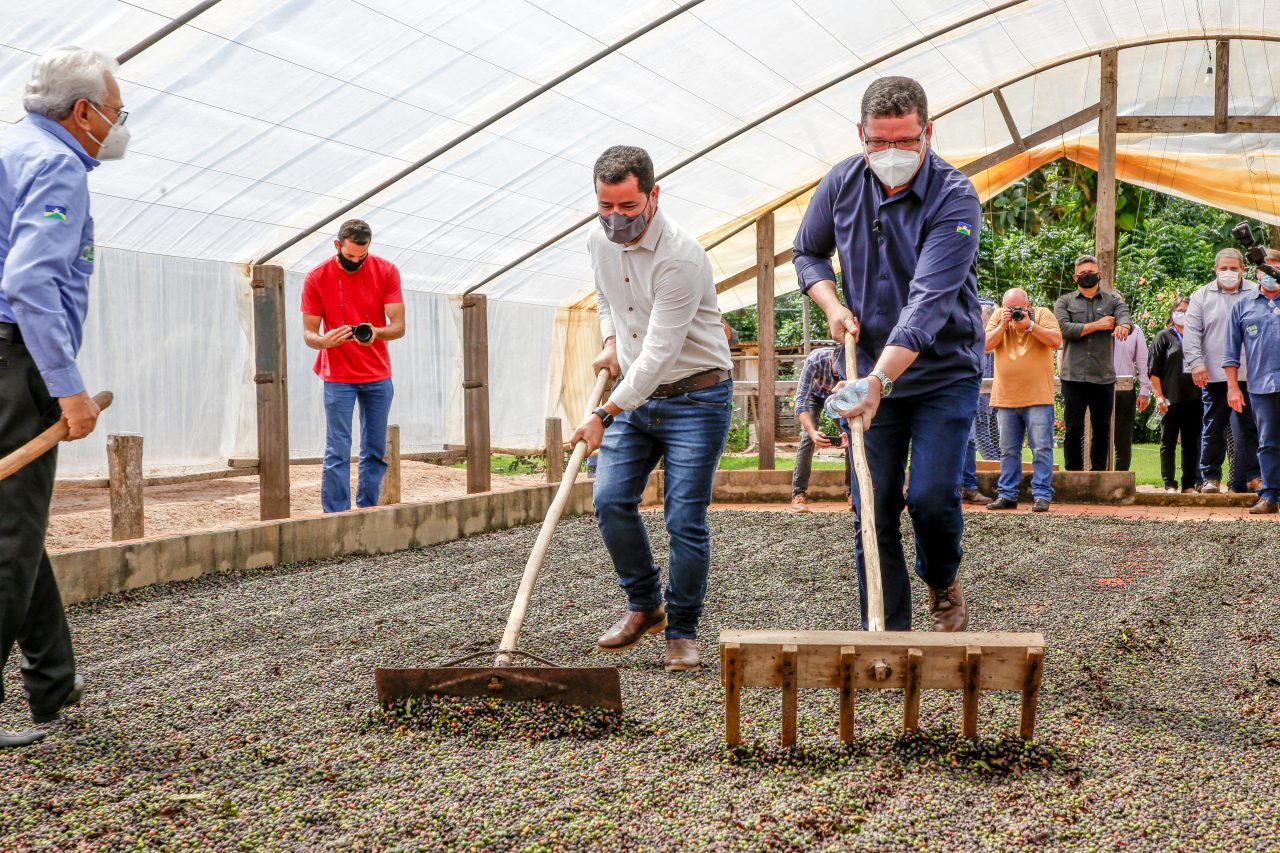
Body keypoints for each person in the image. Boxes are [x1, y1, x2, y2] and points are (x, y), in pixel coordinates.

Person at [793, 76, 983, 632]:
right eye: (879, 143)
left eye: (906, 142)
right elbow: (807, 250)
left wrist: (879, 381)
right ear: (861, 135)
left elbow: (928, 303)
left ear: (929, 132)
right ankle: (888, 632)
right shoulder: (842, 183)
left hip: (941, 373)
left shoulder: (955, 195)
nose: (892, 154)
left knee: (929, 498)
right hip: (867, 371)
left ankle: (943, 579)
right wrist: (830, 302)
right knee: (870, 505)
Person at [0, 46, 130, 748]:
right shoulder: (56, 167)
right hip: (16, 363)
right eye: (115, 113)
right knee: (9, 537)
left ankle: (53, 681)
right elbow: (28, 285)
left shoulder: (13, 151)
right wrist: (68, 390)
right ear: (84, 113)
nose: (117, 126)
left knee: (15, 524)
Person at [570, 145, 733, 672]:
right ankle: (646, 606)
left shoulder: (680, 259)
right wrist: (612, 337)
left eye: (627, 207)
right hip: (635, 398)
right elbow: (605, 296)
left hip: (697, 396)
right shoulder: (597, 239)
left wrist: (603, 414)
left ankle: (682, 631)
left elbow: (661, 352)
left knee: (684, 518)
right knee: (610, 500)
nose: (615, 219)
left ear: (653, 195)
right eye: (605, 206)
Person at [300, 219, 405, 513]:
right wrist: (324, 340)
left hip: (378, 374)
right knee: (338, 449)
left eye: (363, 257)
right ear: (338, 245)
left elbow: (398, 327)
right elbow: (309, 333)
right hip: (337, 375)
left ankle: (367, 511)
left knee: (374, 449)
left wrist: (377, 332)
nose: (356, 262)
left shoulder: (386, 270)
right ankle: (336, 515)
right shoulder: (317, 277)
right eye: (350, 257)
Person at [1184, 248, 1261, 494]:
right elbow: (1192, 333)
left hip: (1250, 374)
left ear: (1243, 269)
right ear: (1215, 269)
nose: (1229, 272)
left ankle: (1254, 476)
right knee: (1213, 426)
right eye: (1224, 268)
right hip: (1214, 375)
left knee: (1250, 427)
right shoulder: (1201, 296)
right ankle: (1210, 477)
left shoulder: (1256, 292)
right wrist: (1196, 363)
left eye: (1234, 268)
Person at [983, 288, 1063, 512]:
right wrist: (1003, 324)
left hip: (1038, 397)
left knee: (1041, 449)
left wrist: (1029, 326)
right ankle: (1007, 494)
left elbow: (1057, 341)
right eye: (1010, 308)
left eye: (1018, 308)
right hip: (1006, 398)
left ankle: (1042, 495)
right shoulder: (998, 316)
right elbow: (986, 345)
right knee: (1008, 450)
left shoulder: (1043, 314)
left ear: (1027, 306)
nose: (1014, 312)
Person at [1054, 255, 1133, 471]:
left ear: (1099, 274)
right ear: (1075, 277)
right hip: (1073, 377)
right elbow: (1063, 329)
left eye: (1091, 272)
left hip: (1103, 376)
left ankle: (1099, 475)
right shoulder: (1065, 301)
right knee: (1073, 430)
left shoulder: (1112, 301)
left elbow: (1125, 317)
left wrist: (1123, 326)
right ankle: (1073, 475)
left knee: (1102, 430)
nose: (1087, 276)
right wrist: (1098, 325)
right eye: (1083, 273)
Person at [1224, 248, 1280, 514]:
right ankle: (1269, 495)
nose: (1270, 275)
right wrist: (1233, 387)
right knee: (1267, 441)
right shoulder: (1243, 306)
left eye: (1276, 270)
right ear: (1257, 272)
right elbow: (1231, 353)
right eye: (1266, 269)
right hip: (1261, 386)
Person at [1148, 297, 1202, 493]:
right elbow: (1153, 371)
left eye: (1188, 311)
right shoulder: (1163, 336)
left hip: (1195, 398)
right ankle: (1169, 482)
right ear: (1172, 312)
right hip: (1170, 398)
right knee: (1168, 442)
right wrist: (1158, 395)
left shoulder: (1197, 336)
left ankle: (1189, 483)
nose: (1183, 314)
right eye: (1180, 310)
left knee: (1191, 443)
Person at [790, 345, 848, 512]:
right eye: (838, 371)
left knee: (852, 438)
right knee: (808, 438)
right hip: (815, 395)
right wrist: (813, 432)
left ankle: (853, 494)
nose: (840, 375)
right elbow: (801, 400)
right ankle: (798, 494)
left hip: (840, 397)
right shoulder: (815, 360)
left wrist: (849, 428)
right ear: (831, 361)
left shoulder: (856, 365)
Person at [959, 299, 996, 505]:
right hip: (953, 391)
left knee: (971, 439)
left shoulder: (984, 338)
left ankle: (969, 487)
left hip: (975, 394)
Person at [1111, 290, 1151, 471]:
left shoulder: (1135, 330)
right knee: (1096, 435)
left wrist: (1144, 391)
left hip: (1124, 391)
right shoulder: (1093, 328)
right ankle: (1097, 473)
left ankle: (1121, 476)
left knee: (1123, 436)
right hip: (1096, 388)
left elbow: (1143, 363)